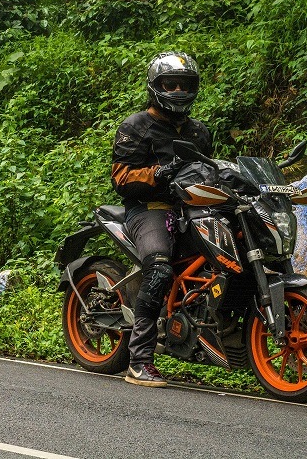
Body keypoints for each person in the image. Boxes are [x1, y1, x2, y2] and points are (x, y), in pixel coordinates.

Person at [111, 51, 213, 387]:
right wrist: (157, 173)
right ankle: (139, 360)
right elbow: (120, 177)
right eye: (171, 84)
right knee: (158, 267)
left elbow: (208, 169)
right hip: (149, 208)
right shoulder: (136, 126)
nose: (179, 91)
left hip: (193, 208)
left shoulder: (200, 132)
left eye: (185, 85)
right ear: (156, 86)